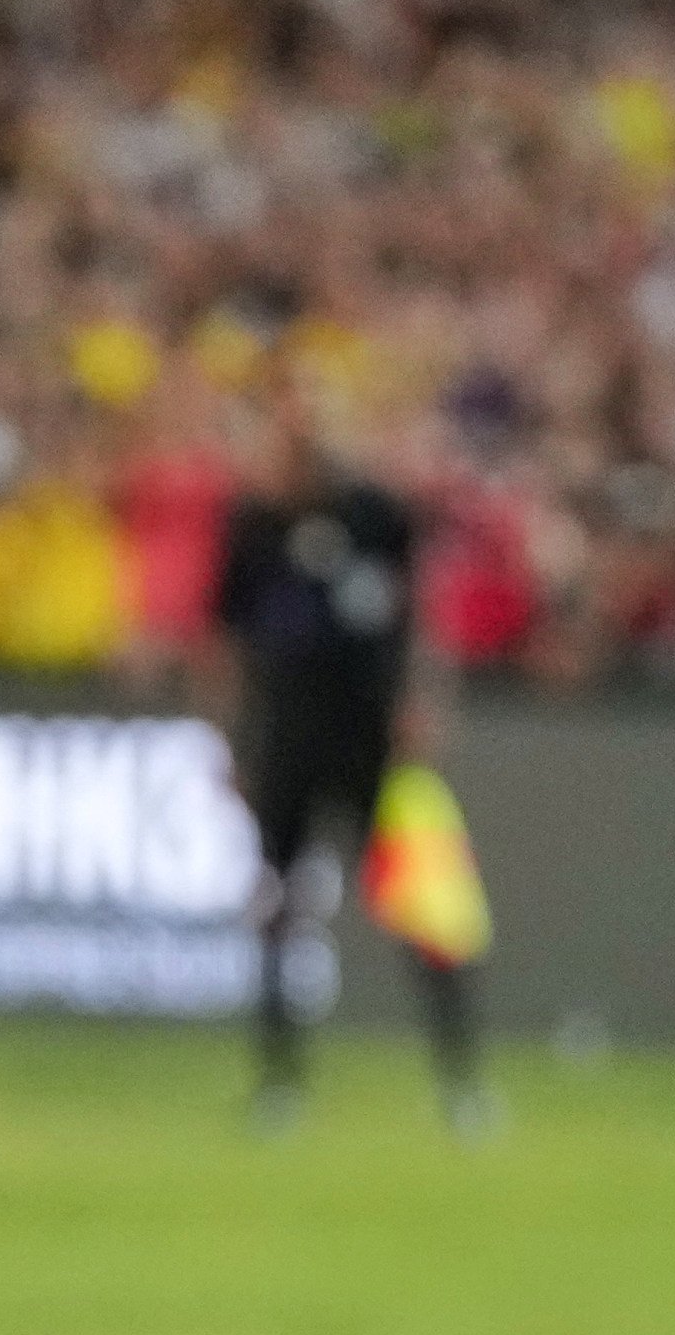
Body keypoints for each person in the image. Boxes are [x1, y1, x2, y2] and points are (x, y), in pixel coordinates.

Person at [207, 381, 492, 1140]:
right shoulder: (253, 524)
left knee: (425, 906)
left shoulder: (376, 515)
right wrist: (230, 742)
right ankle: (279, 1084)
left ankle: (460, 1081)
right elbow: (225, 640)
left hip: (372, 743)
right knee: (278, 909)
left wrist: (423, 697)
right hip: (286, 739)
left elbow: (421, 610)